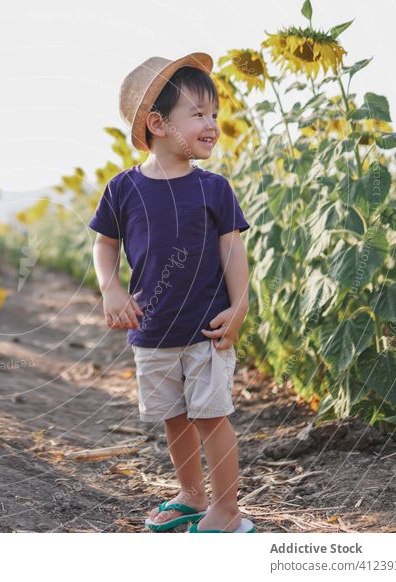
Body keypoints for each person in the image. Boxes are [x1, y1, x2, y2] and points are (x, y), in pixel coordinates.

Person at [88, 54, 255, 533]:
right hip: (152, 329)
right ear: (157, 124)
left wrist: (239, 306)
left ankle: (227, 510)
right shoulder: (123, 189)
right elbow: (105, 245)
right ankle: (191, 493)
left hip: (206, 329)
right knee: (175, 418)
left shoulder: (214, 189)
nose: (211, 124)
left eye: (214, 115)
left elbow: (233, 252)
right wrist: (112, 289)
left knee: (211, 418)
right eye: (198, 114)